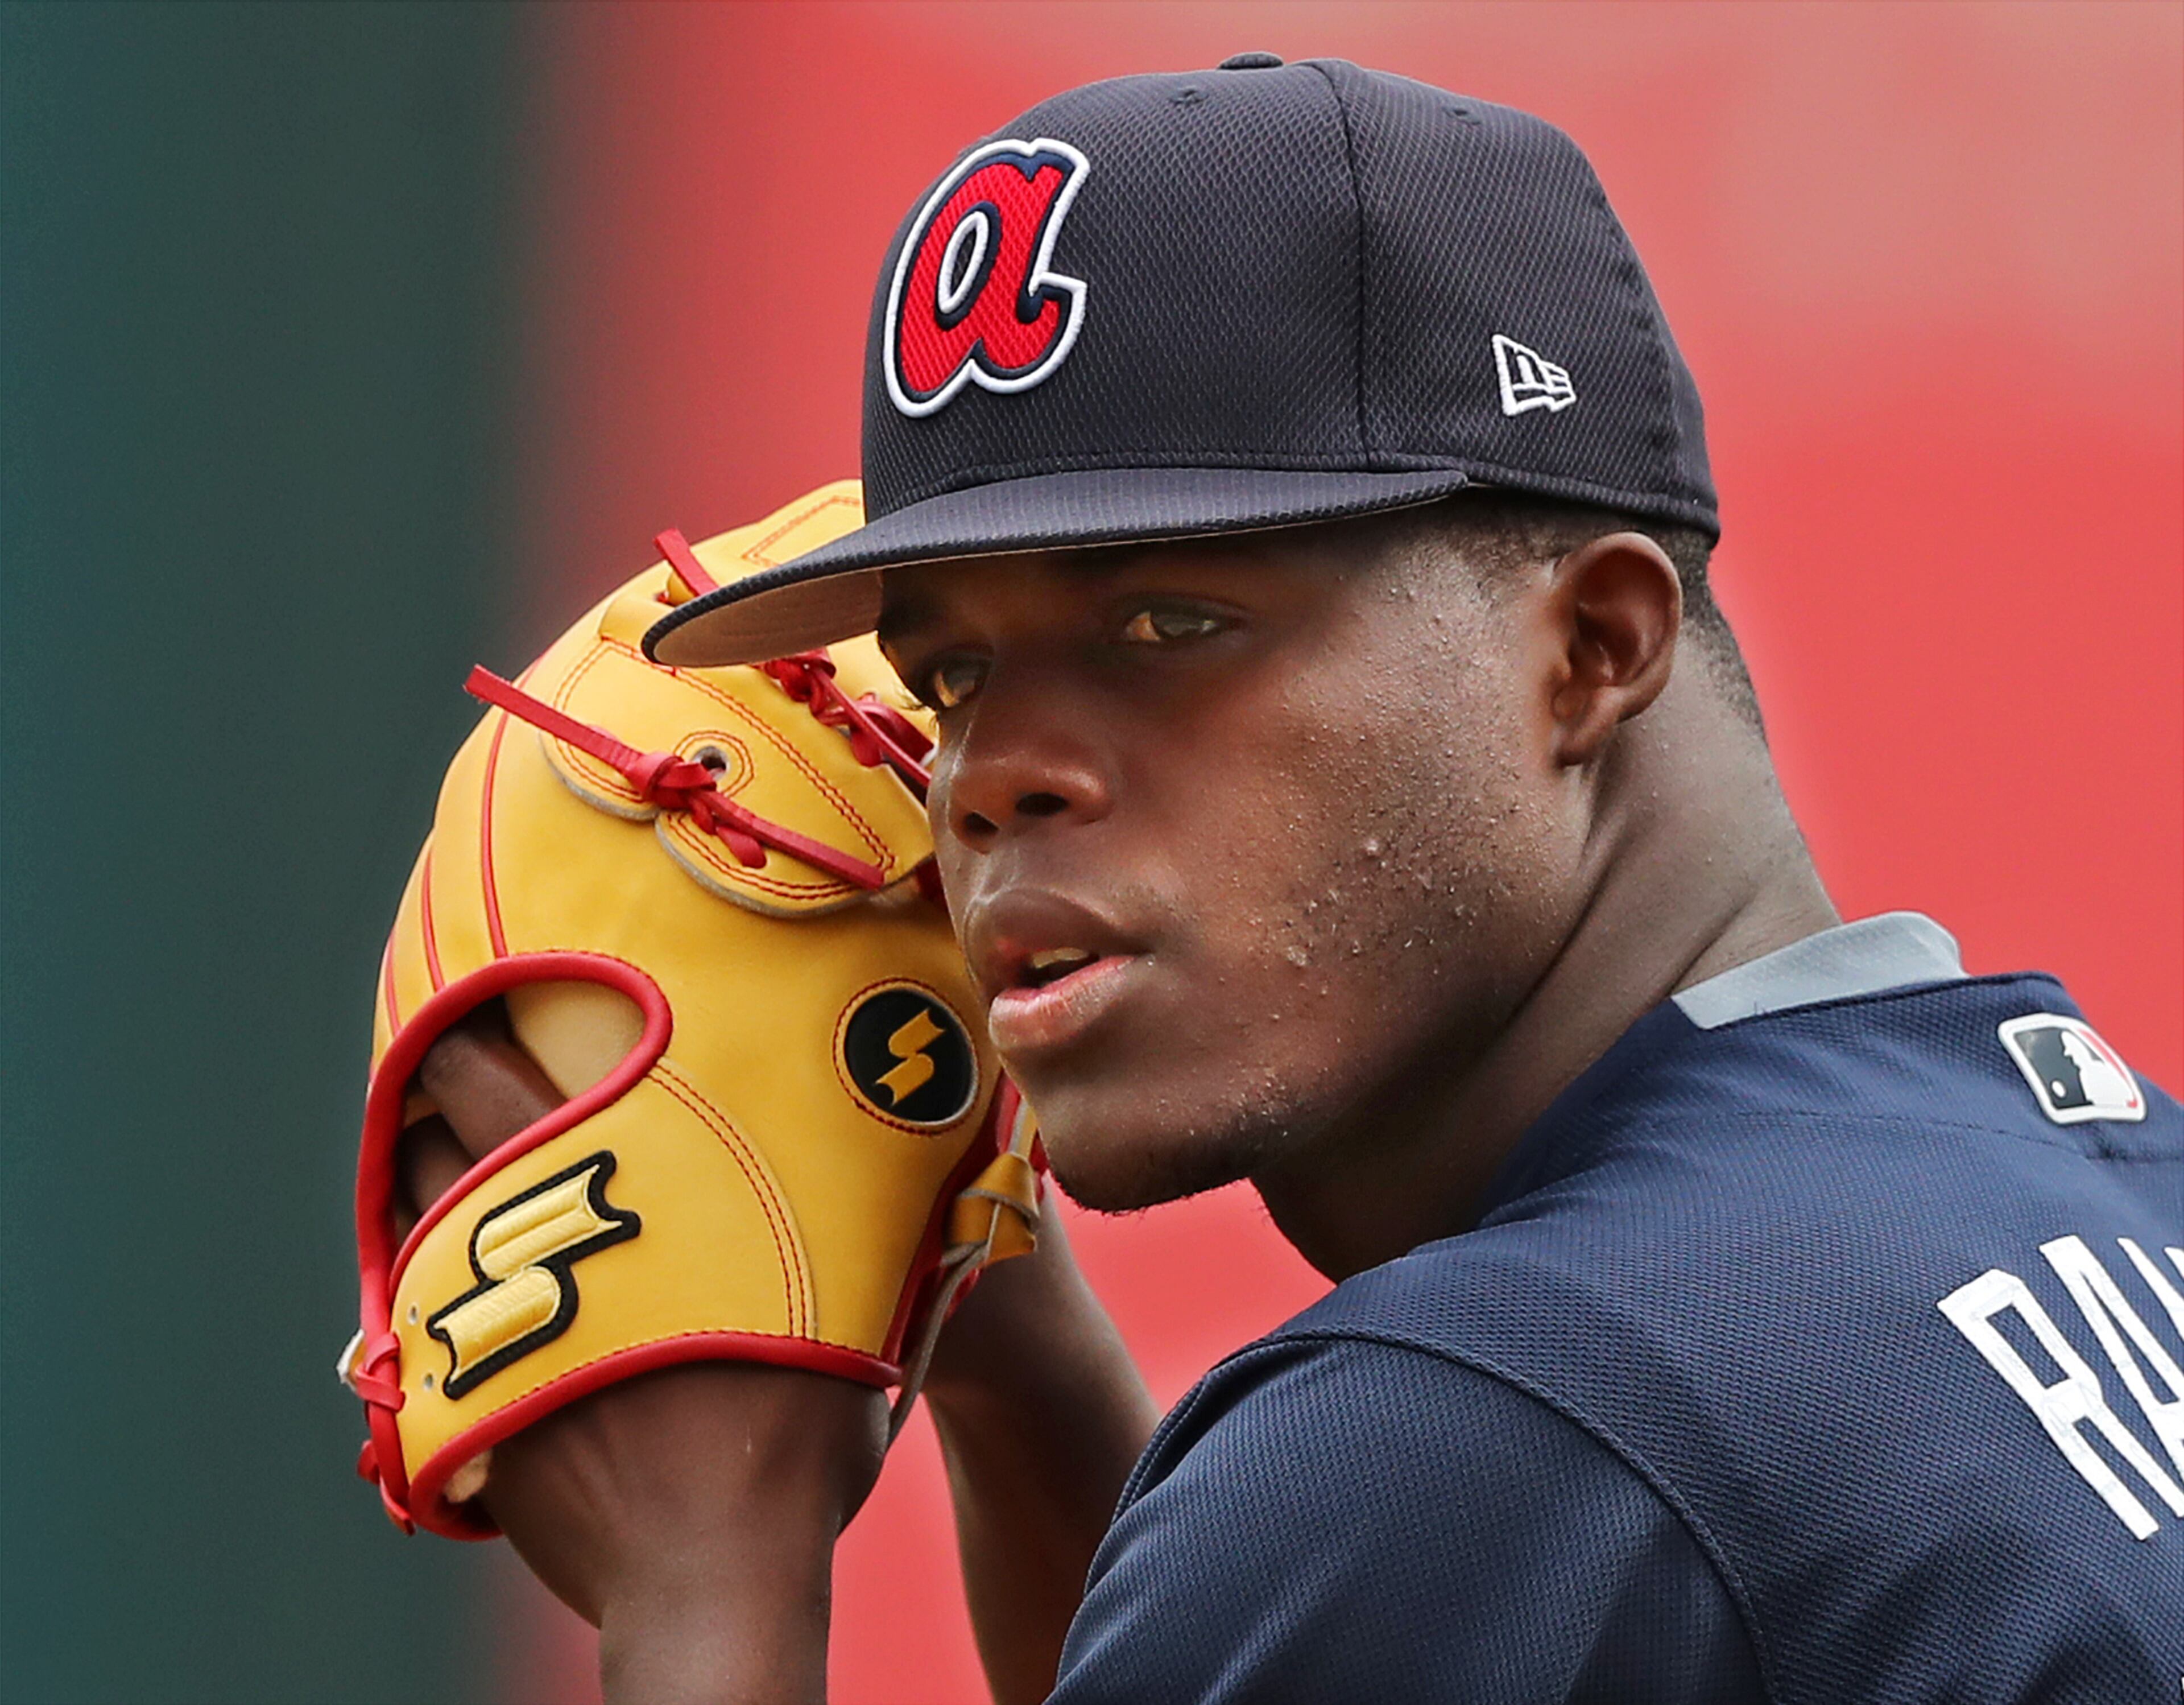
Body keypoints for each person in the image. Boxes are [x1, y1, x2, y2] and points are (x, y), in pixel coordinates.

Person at [410, 57, 2182, 1704]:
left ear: (1591, 648)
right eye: (948, 678)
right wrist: (1022, 1378)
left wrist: (706, 1583)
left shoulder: (1489, 1437)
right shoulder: (2099, 1187)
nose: (992, 776)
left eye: (1172, 623)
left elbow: (1453, 1508)